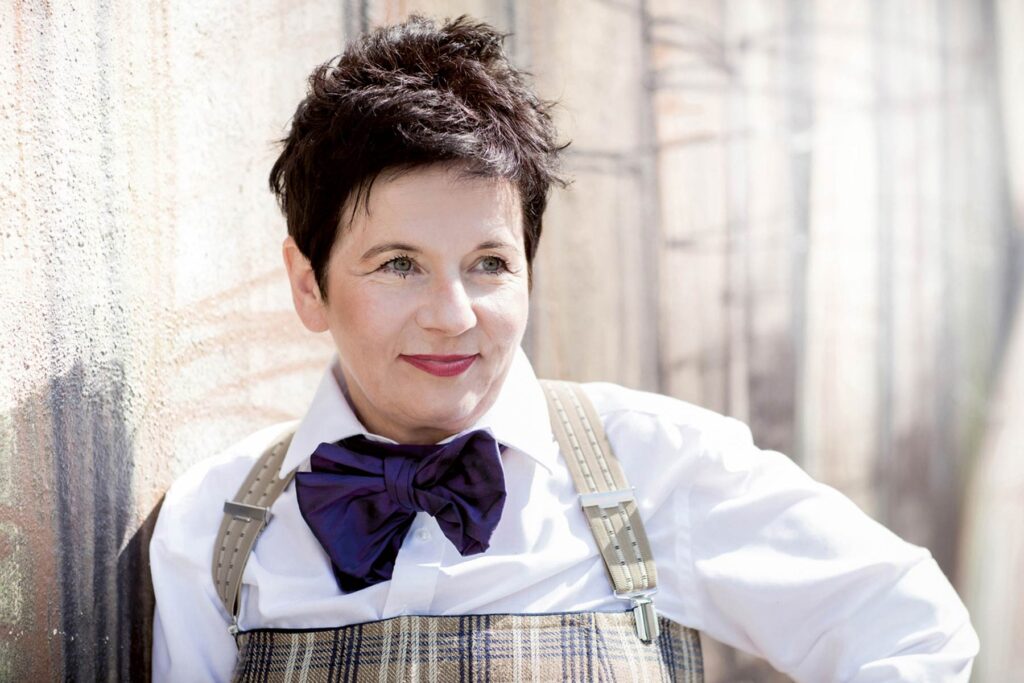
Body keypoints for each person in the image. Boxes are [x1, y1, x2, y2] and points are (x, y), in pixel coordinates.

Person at [150, 14, 978, 682]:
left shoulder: (654, 467)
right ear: (309, 284)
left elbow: (912, 624)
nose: (453, 315)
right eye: (399, 264)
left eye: (489, 263)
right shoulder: (217, 525)